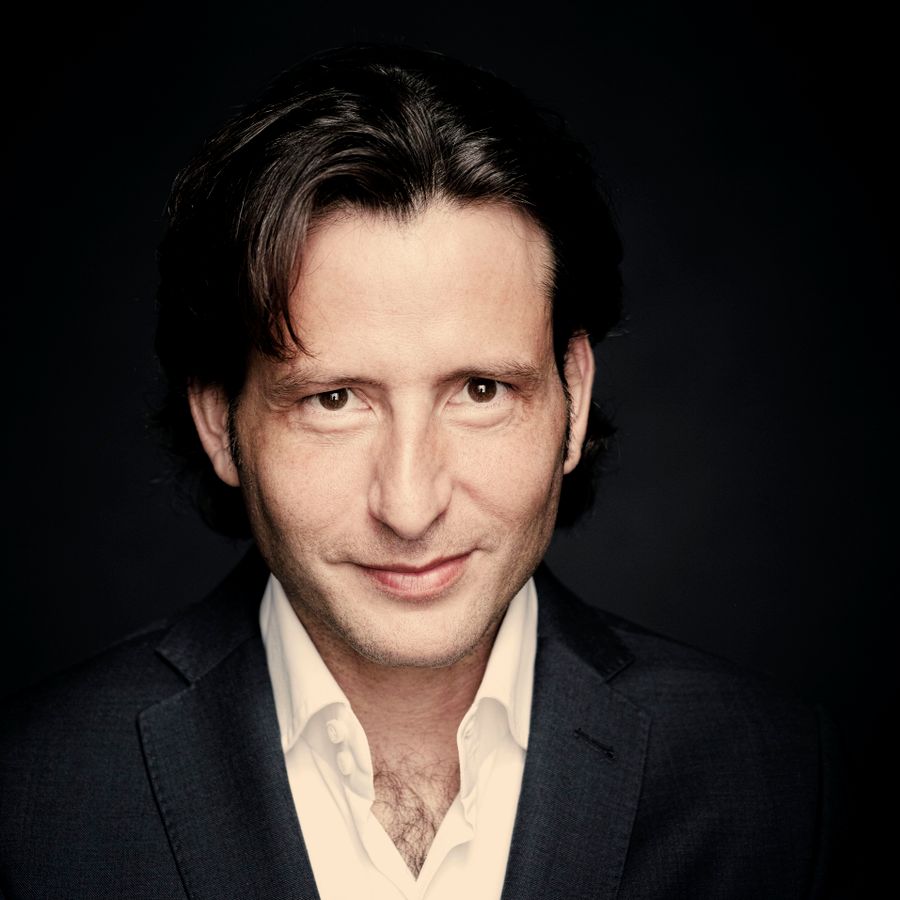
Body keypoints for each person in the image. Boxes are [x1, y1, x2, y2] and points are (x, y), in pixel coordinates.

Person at [0, 44, 842, 898]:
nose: (409, 506)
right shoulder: (30, 797)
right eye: (334, 400)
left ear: (574, 397)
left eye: (480, 390)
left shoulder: (769, 782)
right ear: (220, 421)